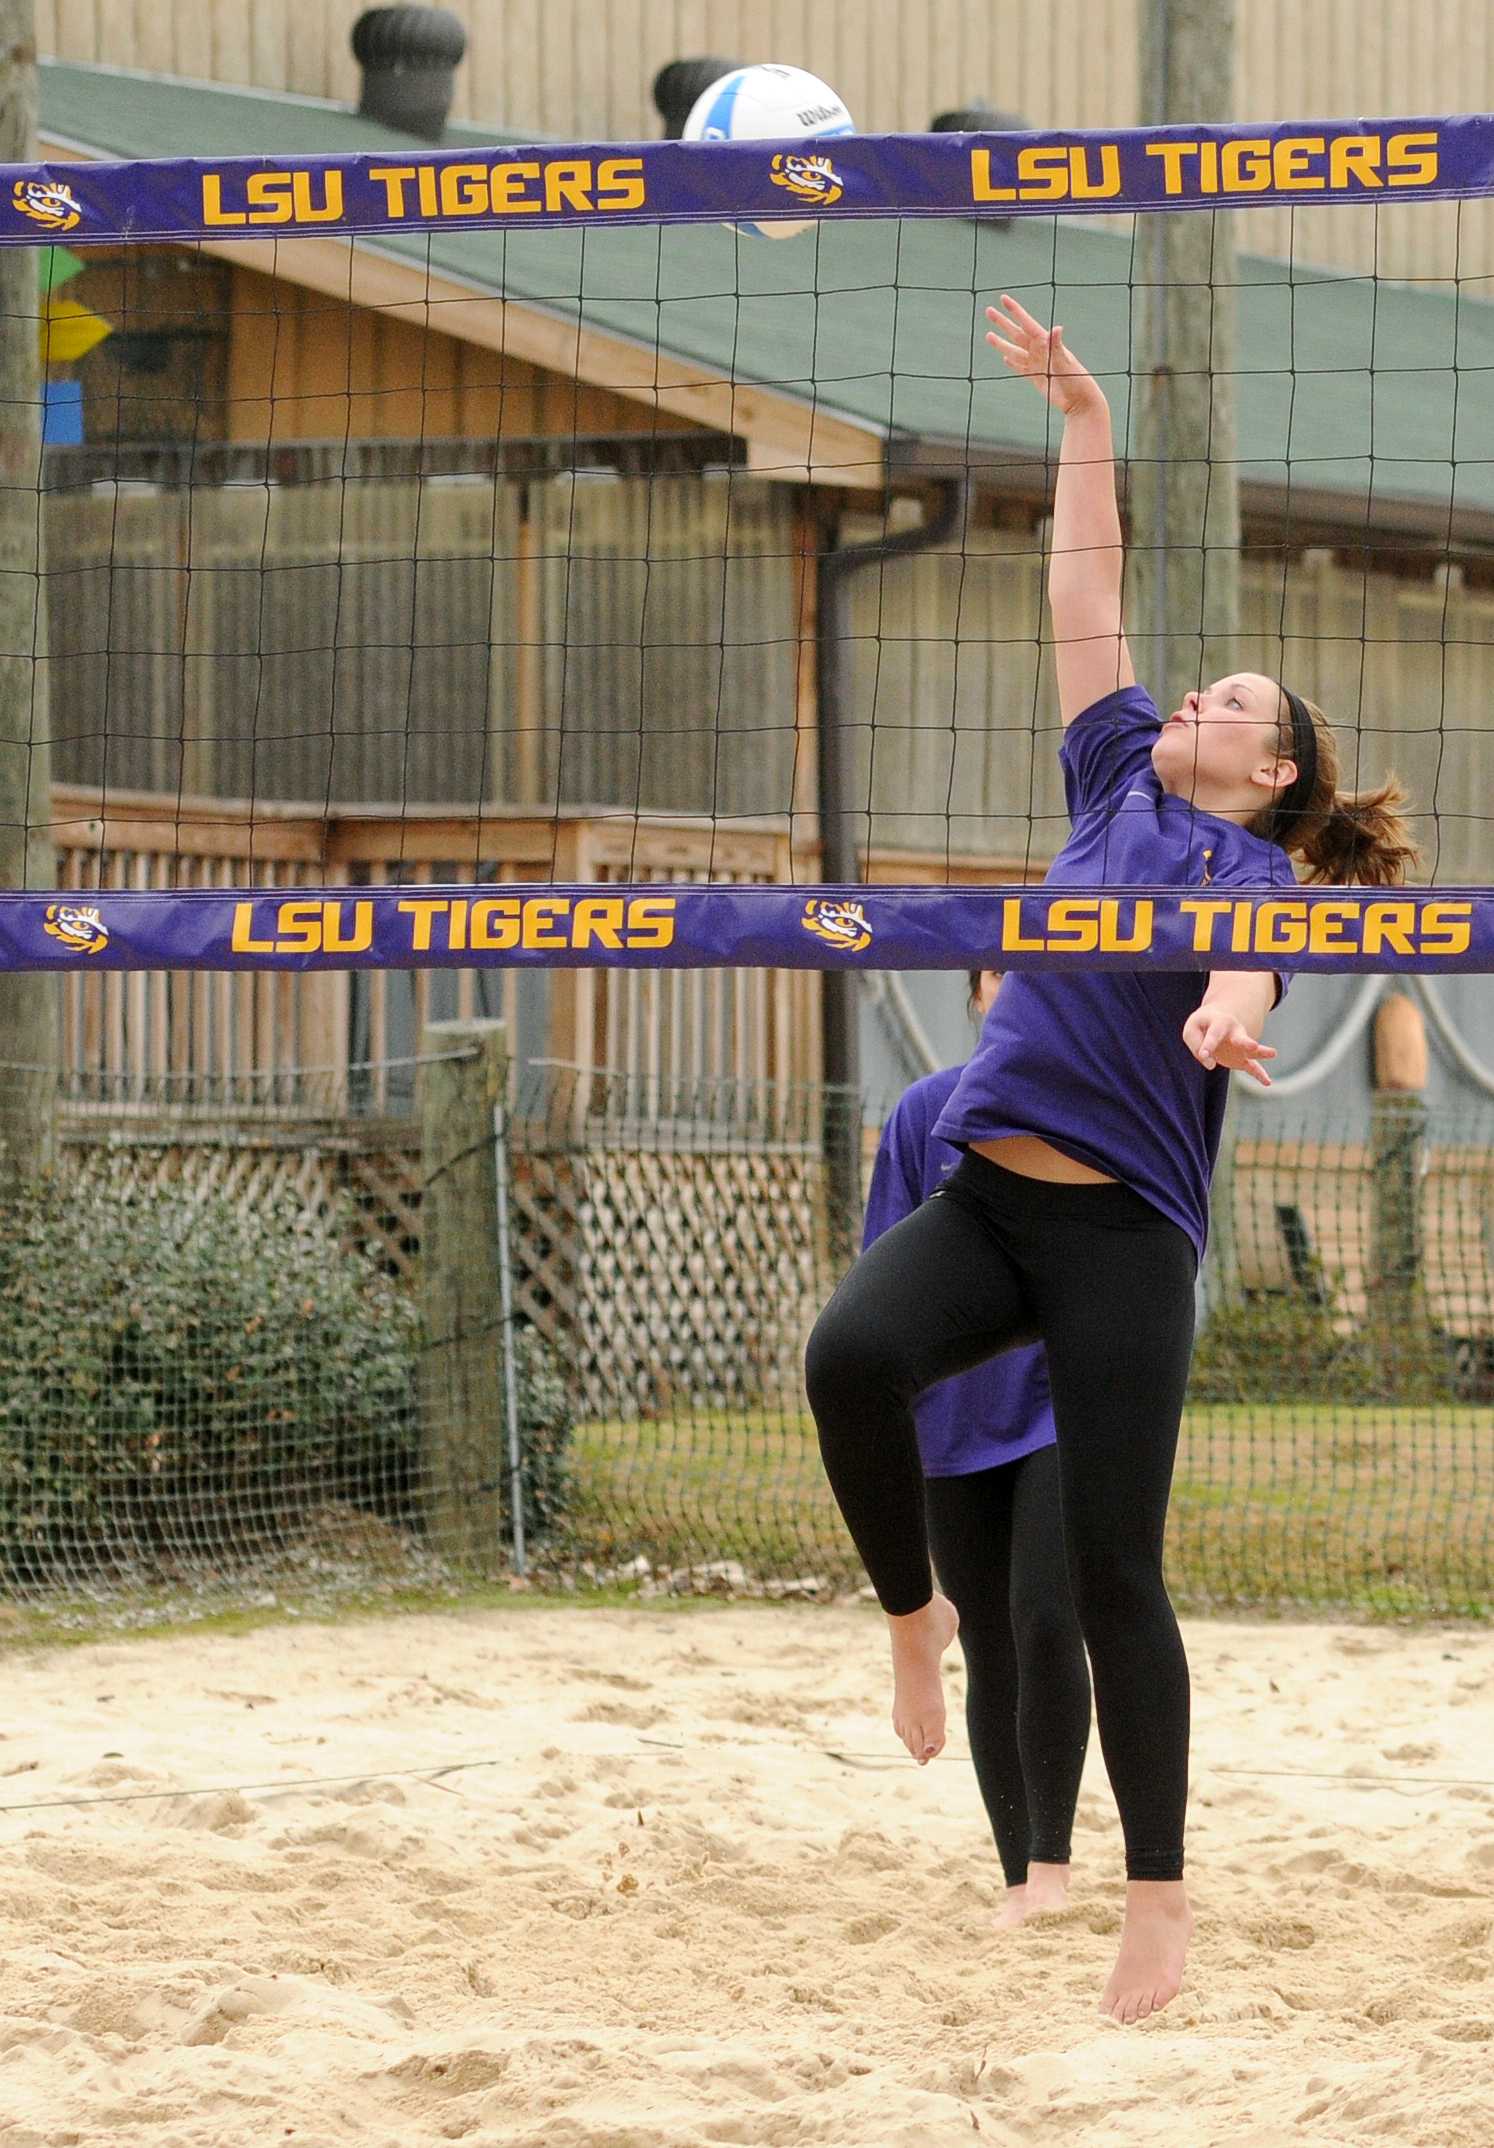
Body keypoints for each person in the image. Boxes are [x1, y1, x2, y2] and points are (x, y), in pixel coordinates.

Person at [806, 293, 1417, 2025]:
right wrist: (1077, 412)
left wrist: (1229, 1023)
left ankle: (1149, 1893)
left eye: (1227, 696)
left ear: (1271, 763)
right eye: (1192, 682)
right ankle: (909, 1613)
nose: (1190, 692)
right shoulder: (1104, 787)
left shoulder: (1254, 877)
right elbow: (1079, 590)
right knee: (847, 1354)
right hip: (992, 1196)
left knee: (1111, 1577)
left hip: (1123, 1240)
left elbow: (1243, 970)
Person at [864, 967, 1091, 1929]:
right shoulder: (926, 1113)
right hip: (954, 1421)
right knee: (989, 1646)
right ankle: (1016, 1883)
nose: (1017, 983)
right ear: (977, 991)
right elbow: (882, 1279)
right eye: (1000, 968)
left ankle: (1052, 1869)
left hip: (1055, 1406)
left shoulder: (1092, 1111)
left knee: (1048, 1619)